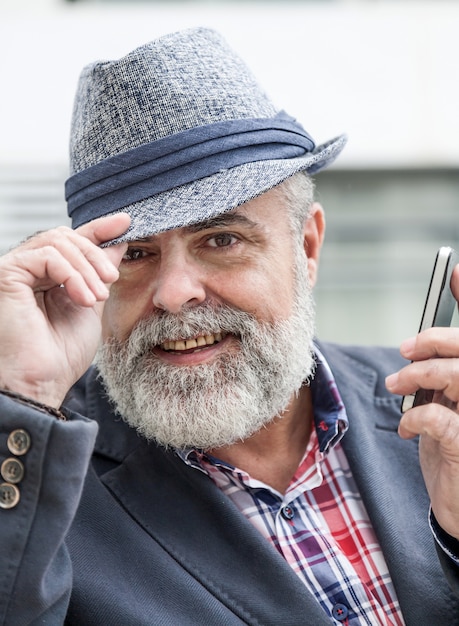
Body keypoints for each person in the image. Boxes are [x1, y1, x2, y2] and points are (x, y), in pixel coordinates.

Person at [0, 26, 458, 626]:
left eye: (221, 239)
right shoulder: (35, 472)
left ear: (307, 247)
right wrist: (22, 395)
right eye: (134, 254)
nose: (173, 293)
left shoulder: (437, 413)